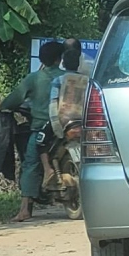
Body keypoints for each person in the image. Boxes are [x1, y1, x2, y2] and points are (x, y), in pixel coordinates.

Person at [0, 40, 65, 222]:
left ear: (42, 59)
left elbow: (14, 99)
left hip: (42, 126)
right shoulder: (69, 77)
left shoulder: (35, 78)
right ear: (60, 59)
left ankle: (25, 209)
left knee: (30, 164)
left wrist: (0, 106)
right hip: (69, 126)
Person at [41, 39, 89, 187]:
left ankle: (48, 170)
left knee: (39, 142)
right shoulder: (88, 81)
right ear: (78, 64)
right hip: (83, 122)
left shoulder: (59, 80)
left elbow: (53, 105)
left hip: (63, 123)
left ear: (63, 63)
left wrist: (56, 126)